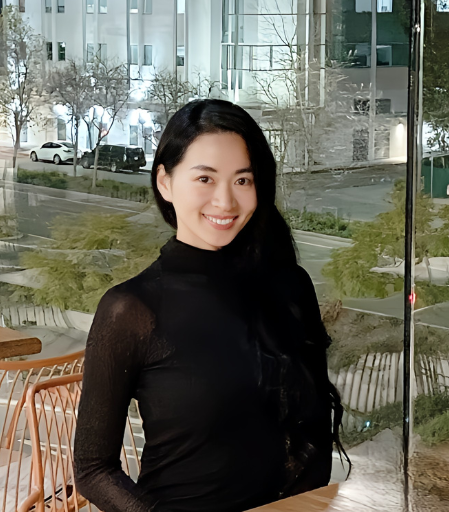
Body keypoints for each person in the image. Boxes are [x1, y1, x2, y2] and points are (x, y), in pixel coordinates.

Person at [73, 99, 349, 512]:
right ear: (165, 182)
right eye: (205, 178)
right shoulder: (131, 309)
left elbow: (314, 436)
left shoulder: (290, 288)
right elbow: (94, 469)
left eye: (243, 180)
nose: (226, 201)